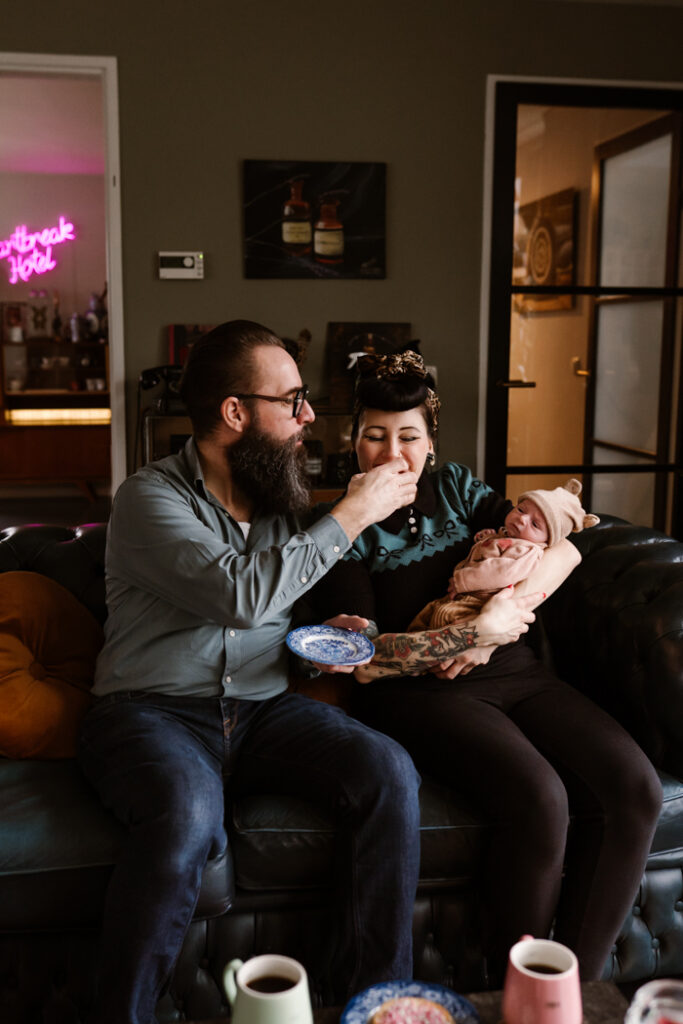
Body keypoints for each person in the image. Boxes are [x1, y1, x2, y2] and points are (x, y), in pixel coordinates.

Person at [79, 320, 465, 1024]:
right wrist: (352, 513)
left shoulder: (280, 504)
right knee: (187, 813)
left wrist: (323, 640)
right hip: (150, 712)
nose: (308, 416)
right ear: (235, 412)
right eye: (291, 400)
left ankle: (374, 1004)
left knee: (387, 771)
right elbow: (239, 595)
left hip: (262, 711)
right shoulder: (149, 498)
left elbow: (273, 620)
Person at [313, 349, 662, 986]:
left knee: (635, 788)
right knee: (541, 798)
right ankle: (514, 994)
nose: (393, 452)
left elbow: (562, 548)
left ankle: (569, 994)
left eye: (409, 436)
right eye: (375, 435)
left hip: (516, 670)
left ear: (430, 442)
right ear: (352, 442)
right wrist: (468, 634)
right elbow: (364, 663)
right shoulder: (343, 528)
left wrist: (499, 625)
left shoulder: (457, 488)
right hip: (422, 694)